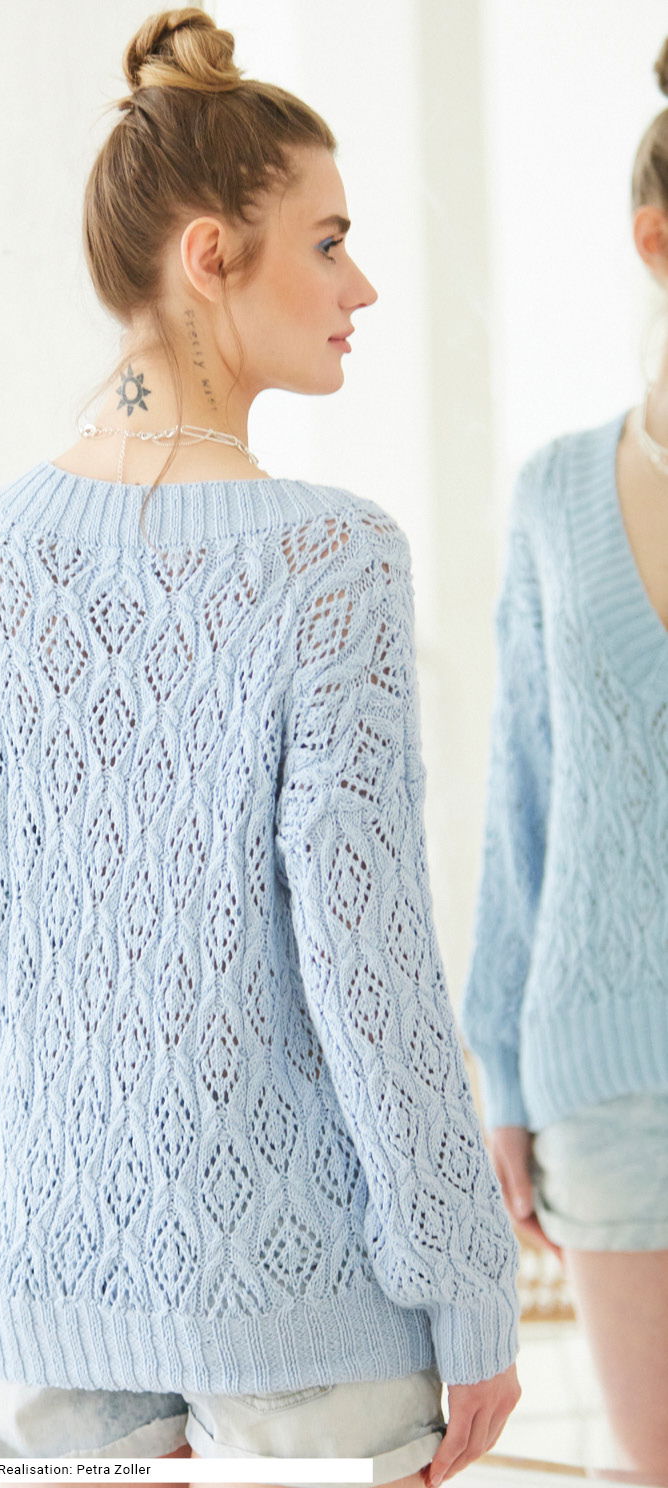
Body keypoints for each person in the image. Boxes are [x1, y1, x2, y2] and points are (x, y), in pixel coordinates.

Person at [0, 11, 521, 1487]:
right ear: (212, 255)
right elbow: (371, 964)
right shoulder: (331, 563)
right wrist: (467, 1284)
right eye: (328, 243)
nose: (362, 286)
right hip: (305, 1308)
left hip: (35, 1293)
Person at [461, 37, 668, 1488]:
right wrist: (502, 1080)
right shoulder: (553, 496)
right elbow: (518, 803)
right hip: (604, 1083)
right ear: (656, 241)